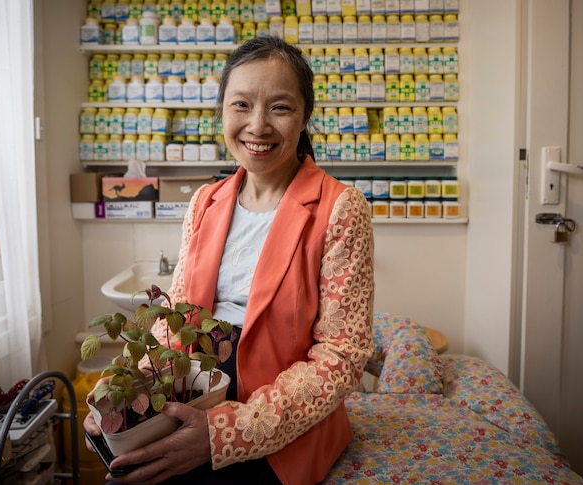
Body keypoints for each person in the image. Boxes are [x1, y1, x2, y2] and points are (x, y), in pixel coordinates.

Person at [83, 35, 375, 485]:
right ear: (222, 110)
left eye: (280, 107)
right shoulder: (206, 201)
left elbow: (341, 356)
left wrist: (223, 435)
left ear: (304, 117)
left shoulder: (340, 207)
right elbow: (171, 321)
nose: (257, 126)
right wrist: (124, 389)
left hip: (278, 421)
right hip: (191, 389)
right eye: (241, 105)